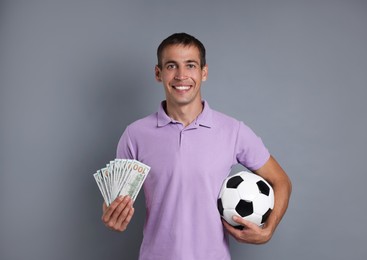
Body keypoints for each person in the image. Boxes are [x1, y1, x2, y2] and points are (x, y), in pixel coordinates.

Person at [101, 32, 292, 260]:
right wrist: (112, 216)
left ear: (204, 72)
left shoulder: (234, 131)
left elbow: (281, 181)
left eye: (190, 65)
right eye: (172, 66)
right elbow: (113, 201)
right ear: (158, 73)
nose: (181, 75)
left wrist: (269, 229)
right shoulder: (135, 135)